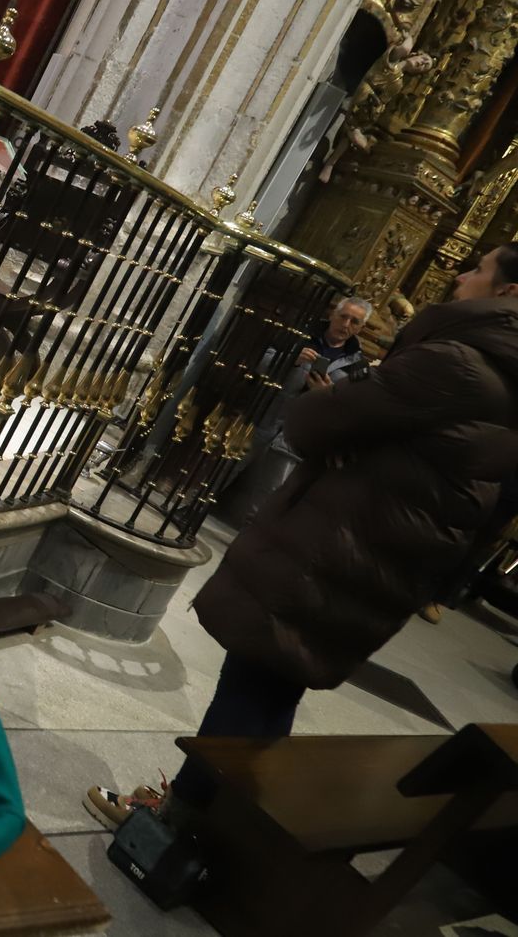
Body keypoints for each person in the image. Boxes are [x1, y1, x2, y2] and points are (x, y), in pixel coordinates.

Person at [86, 244, 518, 832]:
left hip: (341, 548)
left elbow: (314, 420)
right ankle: (226, 826)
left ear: (508, 293)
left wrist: (338, 418)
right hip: (386, 558)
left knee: (250, 682)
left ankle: (172, 827)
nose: (463, 275)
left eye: (479, 268)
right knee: (276, 689)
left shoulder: (460, 361)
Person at [217, 296, 372, 526]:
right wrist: (290, 360)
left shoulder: (359, 366)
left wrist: (326, 393)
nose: (346, 324)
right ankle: (191, 508)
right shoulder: (299, 334)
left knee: (272, 491)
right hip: (264, 413)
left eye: (355, 321)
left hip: (299, 430)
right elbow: (260, 361)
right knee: (225, 465)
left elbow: (349, 406)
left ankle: (251, 538)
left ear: (361, 327)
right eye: (343, 316)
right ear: (332, 315)